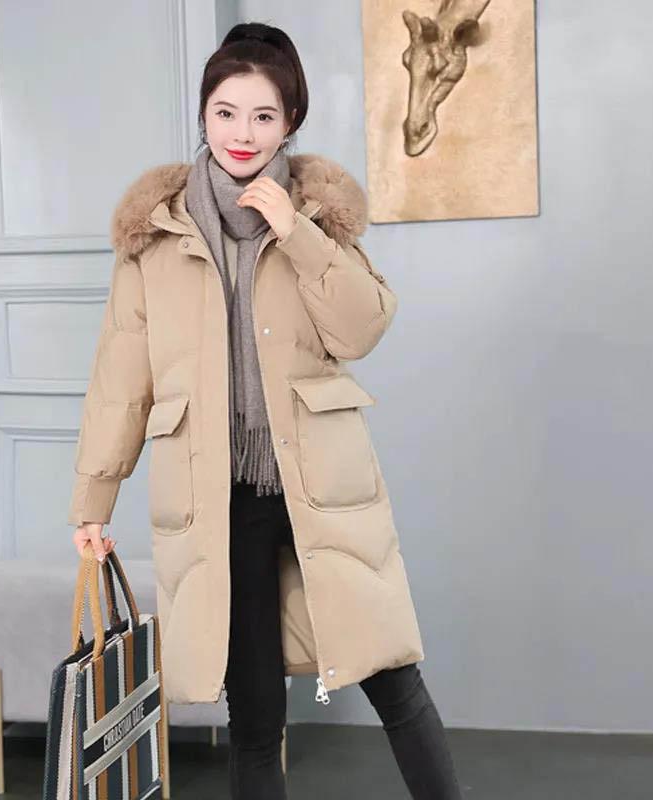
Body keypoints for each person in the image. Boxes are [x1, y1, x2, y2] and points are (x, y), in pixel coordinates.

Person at [69, 21, 464, 800]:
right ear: (203, 115)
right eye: (225, 112)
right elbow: (122, 376)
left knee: (393, 678)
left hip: (320, 480)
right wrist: (93, 498)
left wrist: (298, 234)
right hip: (221, 496)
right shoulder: (154, 235)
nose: (241, 134)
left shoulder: (319, 214)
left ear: (290, 122)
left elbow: (362, 328)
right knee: (253, 715)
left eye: (262, 116)